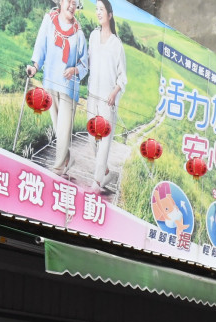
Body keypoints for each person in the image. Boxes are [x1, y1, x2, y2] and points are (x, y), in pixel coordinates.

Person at [27, 0, 89, 175]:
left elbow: (85, 64)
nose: (72, 5)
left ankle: (57, 170)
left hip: (70, 88)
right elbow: (41, 46)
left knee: (63, 129)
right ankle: (68, 157)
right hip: (51, 82)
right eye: (69, 1)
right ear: (61, 2)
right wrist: (35, 66)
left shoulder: (79, 33)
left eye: (75, 3)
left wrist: (75, 69)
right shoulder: (49, 20)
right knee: (57, 128)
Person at [86, 0, 126, 192]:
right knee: (91, 138)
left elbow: (123, 77)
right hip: (92, 96)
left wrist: (114, 93)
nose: (98, 12)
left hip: (107, 102)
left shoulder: (117, 45)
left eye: (102, 9)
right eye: (96, 9)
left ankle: (97, 182)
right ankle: (107, 173)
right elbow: (87, 61)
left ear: (110, 15)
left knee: (104, 143)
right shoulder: (93, 36)